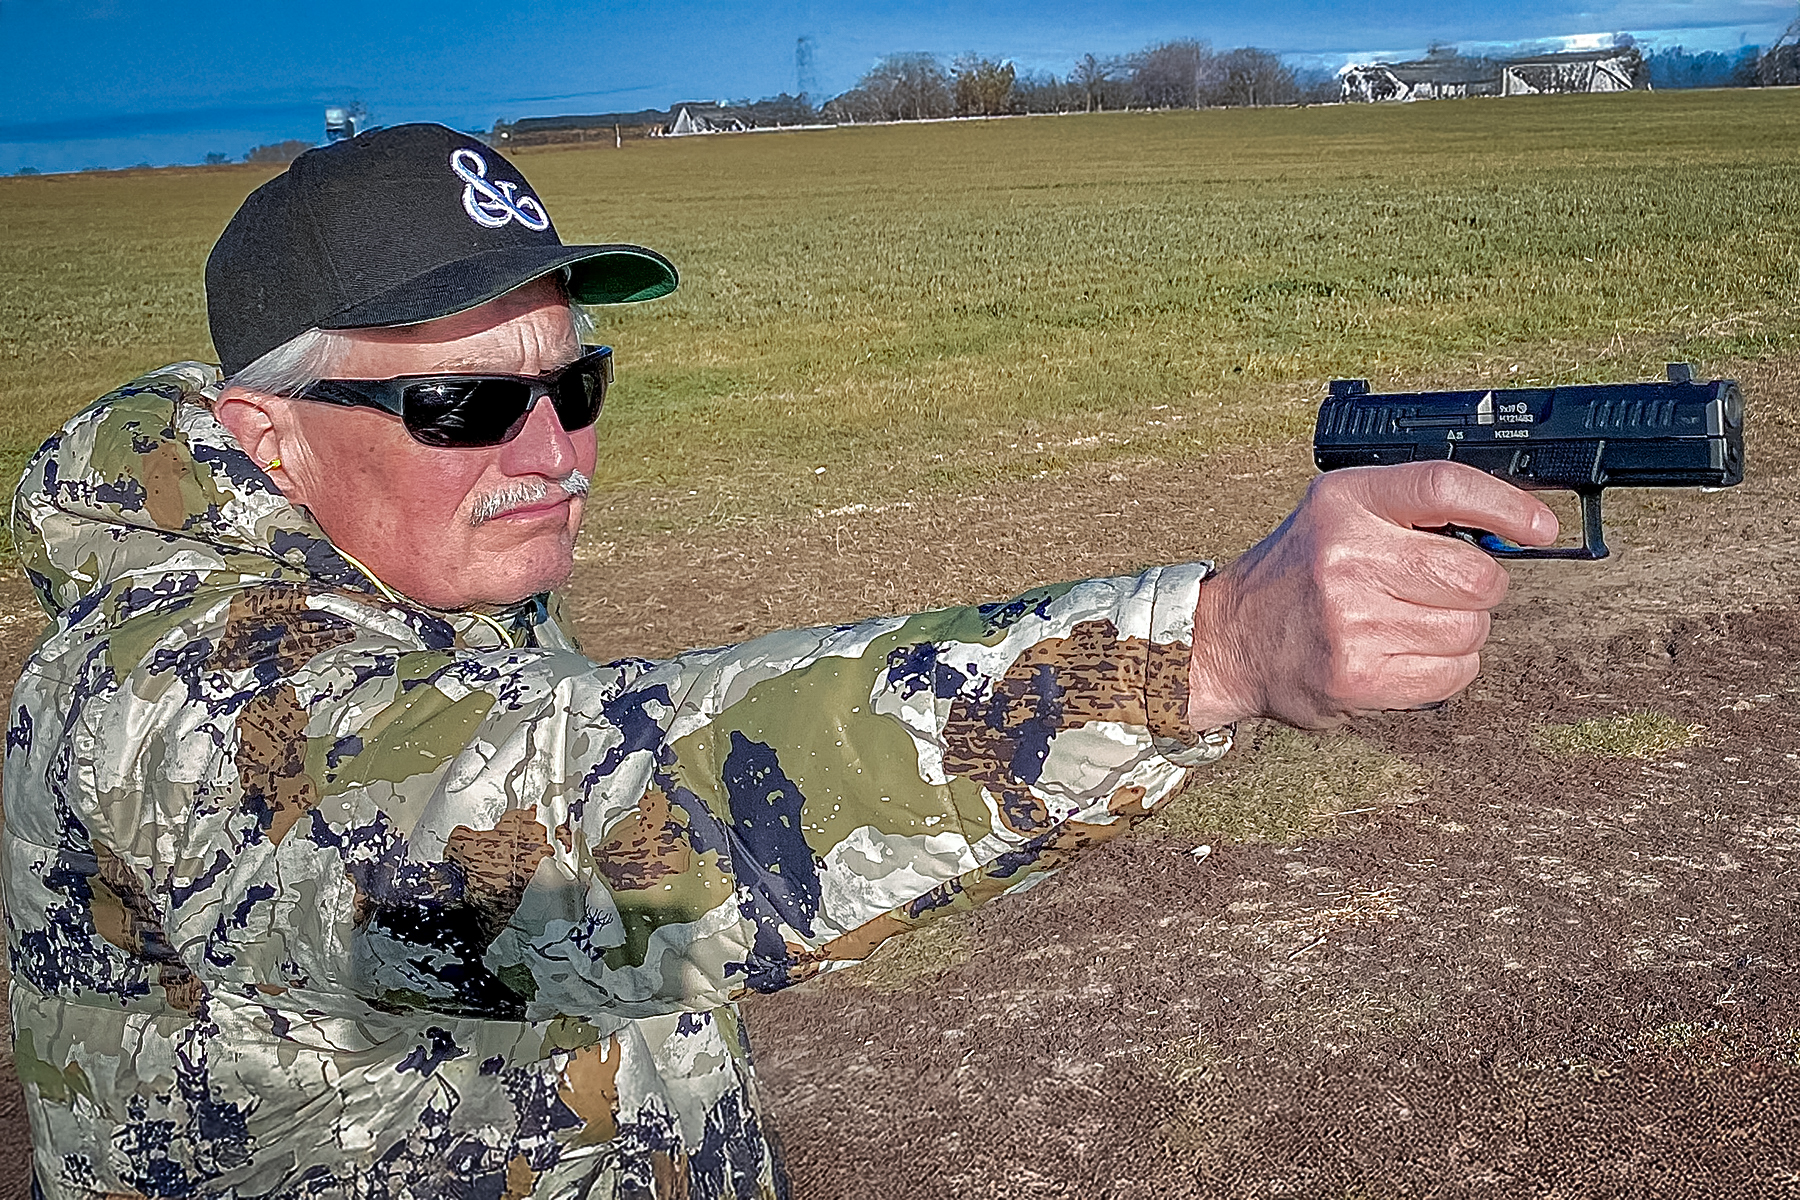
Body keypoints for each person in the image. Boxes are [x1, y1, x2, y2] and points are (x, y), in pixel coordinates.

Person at [1, 124, 1556, 1200]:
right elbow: (588, 840)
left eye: (576, 381)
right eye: (462, 406)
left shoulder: (440, 599)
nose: (551, 451)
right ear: (266, 440)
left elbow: (666, 931)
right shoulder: (171, 693)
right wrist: (1213, 644)